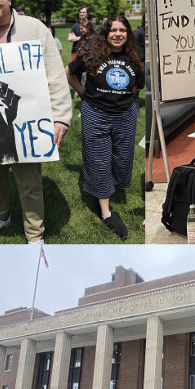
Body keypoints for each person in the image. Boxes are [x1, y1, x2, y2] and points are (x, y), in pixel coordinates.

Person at [0, 0, 72, 245]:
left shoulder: (35, 28)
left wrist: (60, 117)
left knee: (29, 180)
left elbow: (56, 75)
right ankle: (0, 216)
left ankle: (34, 233)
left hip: (27, 119)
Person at [66, 15, 143, 240]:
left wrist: (132, 104)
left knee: (121, 159)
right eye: (113, 30)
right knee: (99, 159)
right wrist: (83, 94)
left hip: (125, 115)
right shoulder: (92, 53)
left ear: (128, 34)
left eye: (122, 30)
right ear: (106, 33)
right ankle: (107, 212)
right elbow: (68, 73)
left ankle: (103, 187)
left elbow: (137, 86)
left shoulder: (134, 58)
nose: (117, 34)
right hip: (96, 114)